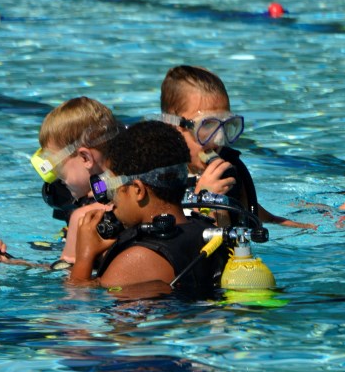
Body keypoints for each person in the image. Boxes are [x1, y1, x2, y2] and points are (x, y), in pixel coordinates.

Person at [68, 120, 229, 297]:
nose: (112, 201)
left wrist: (84, 257)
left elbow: (77, 305)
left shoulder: (136, 260)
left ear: (138, 190)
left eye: (113, 189)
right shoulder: (208, 231)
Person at [158, 65, 313, 229]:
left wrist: (303, 227)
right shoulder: (159, 180)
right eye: (206, 126)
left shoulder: (230, 171)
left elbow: (258, 217)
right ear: (172, 126)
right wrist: (204, 200)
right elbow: (178, 245)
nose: (219, 139)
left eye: (226, 125)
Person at [31, 97, 122, 266]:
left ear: (85, 158)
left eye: (56, 165)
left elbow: (69, 281)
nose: (56, 176)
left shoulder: (83, 218)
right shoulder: (128, 194)